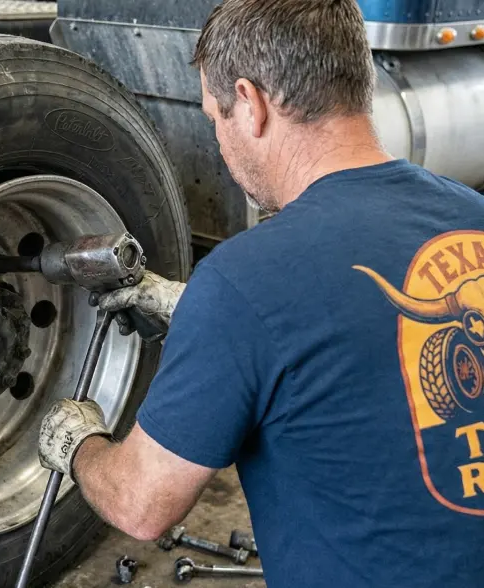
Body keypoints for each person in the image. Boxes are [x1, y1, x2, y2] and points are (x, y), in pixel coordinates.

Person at [36, 0, 484, 586]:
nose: (219, 144)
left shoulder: (245, 278)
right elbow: (363, 329)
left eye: (214, 117)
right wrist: (197, 310)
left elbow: (141, 504)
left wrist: (77, 442)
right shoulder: (471, 214)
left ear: (251, 103)